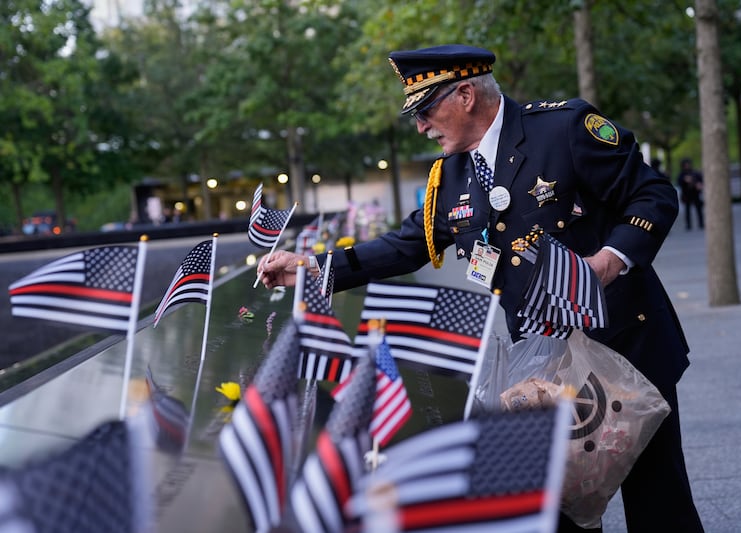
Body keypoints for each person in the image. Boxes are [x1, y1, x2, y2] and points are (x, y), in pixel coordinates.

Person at [257, 44, 704, 532]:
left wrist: (606, 262)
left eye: (425, 111)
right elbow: (406, 245)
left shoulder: (563, 129)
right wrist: (316, 266)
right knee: (559, 507)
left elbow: (653, 193)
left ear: (466, 94)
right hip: (541, 368)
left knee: (657, 500)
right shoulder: (449, 177)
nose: (420, 126)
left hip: (624, 346)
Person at [676, 157, 704, 230]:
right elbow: (679, 182)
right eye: (686, 164)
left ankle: (701, 223)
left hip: (695, 193)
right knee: (687, 210)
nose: (687, 166)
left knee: (699, 209)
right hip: (687, 194)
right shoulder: (682, 174)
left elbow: (700, 180)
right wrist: (684, 180)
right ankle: (688, 225)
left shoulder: (694, 172)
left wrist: (699, 184)